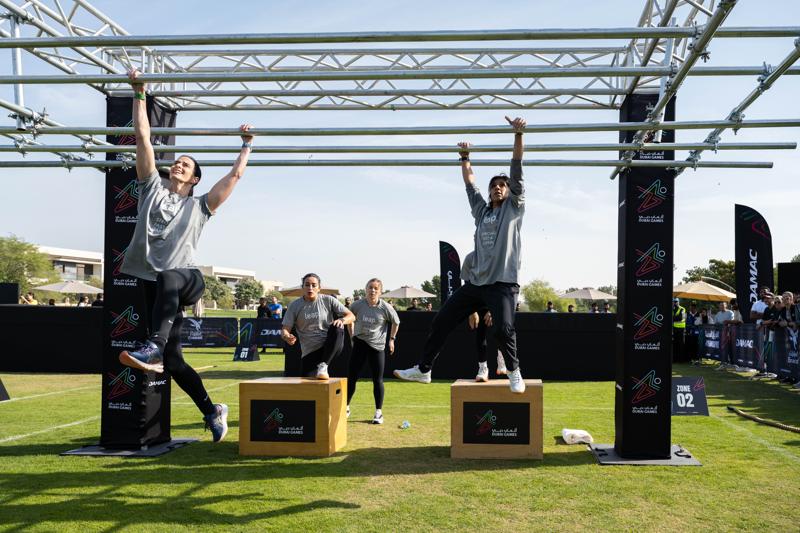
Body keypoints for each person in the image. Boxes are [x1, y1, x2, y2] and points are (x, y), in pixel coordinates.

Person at [116, 68, 254, 443]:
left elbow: (234, 178)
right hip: (156, 284)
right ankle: (212, 410)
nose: (179, 164)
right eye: (177, 161)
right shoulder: (150, 189)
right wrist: (139, 93)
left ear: (194, 179)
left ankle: (154, 347)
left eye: (187, 165)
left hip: (187, 279)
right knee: (174, 362)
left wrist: (246, 145)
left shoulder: (200, 206)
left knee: (168, 280)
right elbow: (142, 138)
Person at [394, 116, 528, 393]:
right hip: (476, 284)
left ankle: (514, 371)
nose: (497, 187)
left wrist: (518, 135)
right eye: (494, 185)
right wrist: (465, 157)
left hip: (502, 283)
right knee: (441, 321)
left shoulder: (513, 208)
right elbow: (470, 185)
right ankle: (424, 369)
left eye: (502, 185)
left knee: (503, 329)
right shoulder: (482, 212)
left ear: (509, 191)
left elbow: (516, 169)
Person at [346, 278, 400, 425]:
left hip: (377, 347)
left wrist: (392, 339)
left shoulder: (386, 307)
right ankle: (346, 407)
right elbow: (349, 319)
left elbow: (396, 322)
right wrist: (351, 336)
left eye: (376, 288)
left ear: (380, 291)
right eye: (370, 287)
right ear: (366, 289)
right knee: (352, 377)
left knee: (377, 380)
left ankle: (378, 412)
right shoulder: (357, 305)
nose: (373, 290)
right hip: (360, 343)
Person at [282, 273, 355, 379]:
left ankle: (324, 365)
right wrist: (287, 336)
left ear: (319, 288)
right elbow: (285, 329)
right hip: (310, 351)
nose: (310, 288)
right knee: (307, 386)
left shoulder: (328, 300)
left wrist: (342, 320)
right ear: (302, 287)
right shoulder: (294, 305)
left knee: (337, 326)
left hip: (330, 346)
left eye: (314, 285)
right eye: (307, 285)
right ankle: (321, 366)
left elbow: (351, 316)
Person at [469, 309, 508, 382]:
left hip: (497, 304)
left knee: (502, 328)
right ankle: (483, 368)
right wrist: (472, 311)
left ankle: (502, 361)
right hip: (479, 305)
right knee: (480, 330)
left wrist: (492, 310)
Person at [713, 301, 736, 370]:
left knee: (729, 348)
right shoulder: (718, 314)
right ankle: (723, 362)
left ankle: (730, 362)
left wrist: (726, 324)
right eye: (720, 305)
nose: (721, 306)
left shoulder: (730, 312)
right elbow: (715, 323)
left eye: (723, 305)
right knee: (722, 348)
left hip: (729, 333)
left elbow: (731, 322)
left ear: (726, 306)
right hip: (720, 333)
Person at [672, 298, 686, 363]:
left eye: (676, 301)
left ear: (678, 302)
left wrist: (674, 318)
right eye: (674, 302)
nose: (675, 303)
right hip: (675, 328)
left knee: (681, 344)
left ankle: (681, 360)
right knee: (675, 344)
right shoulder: (673, 309)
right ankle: (675, 359)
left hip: (681, 329)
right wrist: (675, 318)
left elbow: (680, 318)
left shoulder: (682, 309)